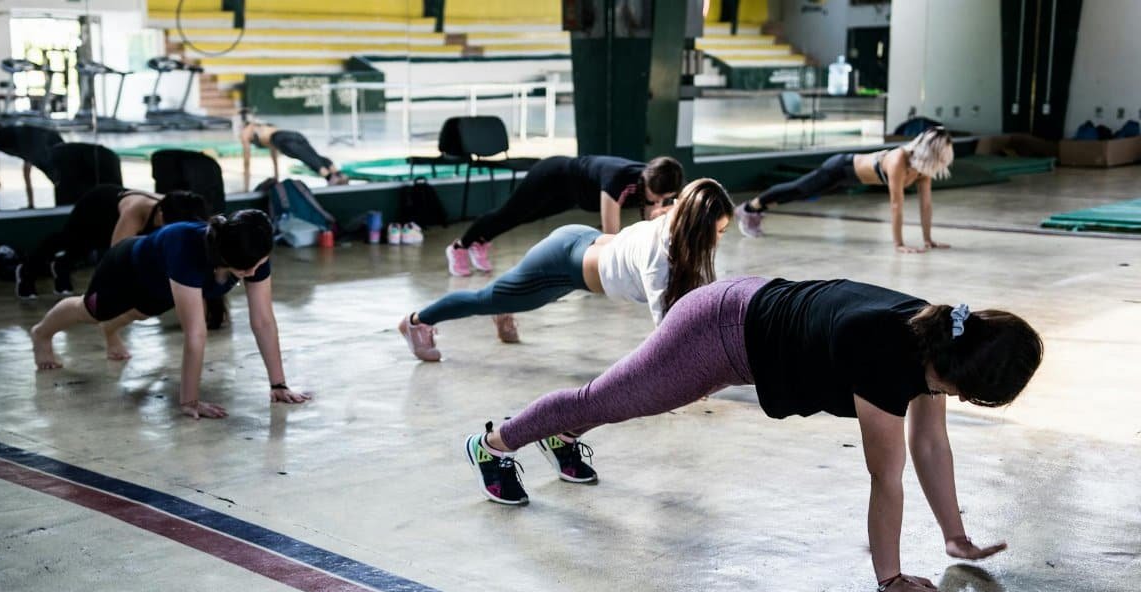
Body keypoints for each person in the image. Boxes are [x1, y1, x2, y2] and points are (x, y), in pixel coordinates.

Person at [461, 276, 1043, 592]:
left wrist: (953, 535)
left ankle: (559, 435)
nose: (961, 403)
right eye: (972, 396)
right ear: (964, 378)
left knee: (618, 400)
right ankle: (494, 443)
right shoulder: (888, 354)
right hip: (715, 330)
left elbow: (932, 447)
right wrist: (889, 579)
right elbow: (885, 477)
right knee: (607, 399)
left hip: (747, 319)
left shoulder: (939, 338)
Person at [399, 178, 732, 361]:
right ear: (697, 228)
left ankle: (504, 308)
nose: (718, 241)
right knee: (486, 298)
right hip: (561, 265)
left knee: (505, 297)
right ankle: (416, 322)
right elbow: (668, 331)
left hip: (582, 244)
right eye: (716, 233)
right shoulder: (658, 256)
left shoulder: (676, 225)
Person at [29, 209, 310, 419]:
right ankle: (42, 333)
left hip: (162, 283)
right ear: (222, 254)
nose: (251, 274)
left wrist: (279, 384)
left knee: (139, 313)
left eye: (256, 266)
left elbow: (262, 320)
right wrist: (189, 401)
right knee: (91, 312)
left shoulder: (253, 253)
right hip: (127, 270)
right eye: (243, 269)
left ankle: (111, 331)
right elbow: (195, 333)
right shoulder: (186, 248)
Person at [444, 155, 685, 277]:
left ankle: (480, 242)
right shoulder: (619, 180)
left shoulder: (654, 180)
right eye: (657, 196)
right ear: (646, 181)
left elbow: (650, 218)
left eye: (666, 197)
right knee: (511, 213)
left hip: (572, 195)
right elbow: (610, 235)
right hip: (554, 175)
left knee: (526, 217)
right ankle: (461, 246)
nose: (659, 202)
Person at [736, 127, 954, 253]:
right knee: (799, 189)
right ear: (930, 151)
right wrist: (899, 244)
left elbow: (926, 205)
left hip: (848, 180)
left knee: (804, 195)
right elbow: (896, 205)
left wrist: (929, 240)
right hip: (840, 168)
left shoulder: (923, 169)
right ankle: (748, 208)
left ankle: (755, 210)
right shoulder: (899, 159)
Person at [14, 185, 209, 298]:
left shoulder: (179, 211)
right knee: (70, 240)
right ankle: (26, 272)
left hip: (119, 214)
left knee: (83, 247)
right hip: (97, 205)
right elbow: (114, 259)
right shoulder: (134, 212)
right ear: (160, 213)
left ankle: (61, 267)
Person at [240, 116, 348, 191]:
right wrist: (276, 177)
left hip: (281, 139)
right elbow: (273, 155)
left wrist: (245, 188)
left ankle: (330, 177)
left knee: (307, 157)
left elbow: (246, 163)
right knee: (314, 156)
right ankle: (338, 174)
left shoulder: (246, 133)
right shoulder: (265, 127)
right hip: (295, 134)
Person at [0, 122, 65, 210]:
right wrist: (30, 205)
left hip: (44, 145)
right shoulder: (18, 134)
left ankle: (64, 209)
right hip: (54, 138)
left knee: (59, 180)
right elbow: (26, 173)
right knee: (62, 179)